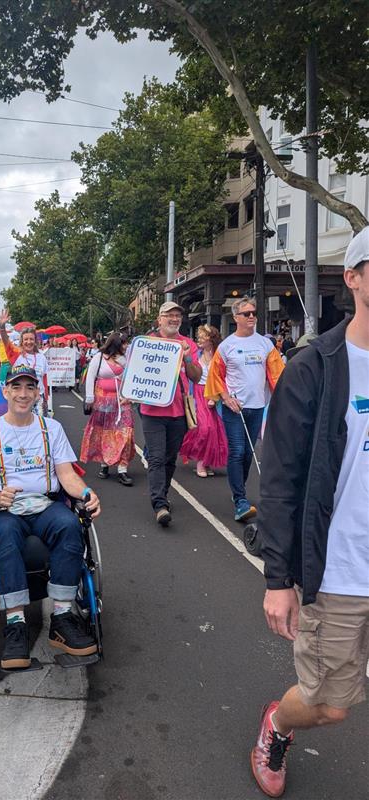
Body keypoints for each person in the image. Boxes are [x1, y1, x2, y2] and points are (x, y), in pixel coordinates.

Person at [250, 226, 369, 798]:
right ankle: (277, 722)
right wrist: (280, 578)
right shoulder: (315, 365)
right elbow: (279, 481)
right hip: (341, 571)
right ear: (352, 277)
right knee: (327, 707)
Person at [0, 365, 101, 670]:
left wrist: (87, 493)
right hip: (5, 508)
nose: (23, 394)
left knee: (69, 525)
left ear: (38, 393)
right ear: (6, 392)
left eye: (29, 388)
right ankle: (15, 623)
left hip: (44, 503)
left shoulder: (51, 429)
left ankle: (63, 617)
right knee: (5, 535)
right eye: (16, 387)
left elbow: (66, 475)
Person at [205, 296, 284, 522]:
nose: (251, 317)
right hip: (235, 408)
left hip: (258, 406)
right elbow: (215, 376)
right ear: (236, 317)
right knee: (238, 451)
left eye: (253, 313)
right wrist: (226, 398)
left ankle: (237, 489)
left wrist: (282, 397)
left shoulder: (265, 344)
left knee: (249, 454)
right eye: (246, 314)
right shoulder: (227, 346)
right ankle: (240, 500)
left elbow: (277, 374)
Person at [140, 301, 202, 527]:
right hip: (152, 411)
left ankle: (162, 493)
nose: (174, 319)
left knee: (169, 457)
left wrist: (186, 358)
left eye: (177, 315)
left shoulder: (188, 344)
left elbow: (196, 376)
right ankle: (159, 504)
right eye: (169, 315)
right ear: (159, 320)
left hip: (179, 411)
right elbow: (134, 372)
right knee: (156, 457)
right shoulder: (148, 343)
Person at [80, 332, 135, 486]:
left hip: (122, 402)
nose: (126, 346)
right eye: (123, 343)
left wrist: (131, 395)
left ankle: (122, 469)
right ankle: (104, 464)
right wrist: (89, 398)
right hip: (102, 402)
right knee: (104, 432)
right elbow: (90, 377)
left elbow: (132, 377)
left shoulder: (126, 359)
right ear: (116, 343)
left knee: (125, 432)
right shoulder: (99, 358)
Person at [180, 324, 228, 478]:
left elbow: (224, 377)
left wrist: (216, 397)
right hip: (198, 393)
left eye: (203, 336)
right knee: (203, 428)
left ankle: (206, 462)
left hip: (214, 393)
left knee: (215, 430)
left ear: (211, 339)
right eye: (198, 336)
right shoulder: (196, 354)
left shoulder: (219, 355)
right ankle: (201, 461)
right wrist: (187, 357)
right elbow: (190, 371)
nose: (199, 339)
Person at [0, 310, 48, 415]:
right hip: (21, 399)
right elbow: (6, 341)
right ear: (21, 341)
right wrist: (2, 327)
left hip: (38, 399)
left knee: (39, 428)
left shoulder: (41, 357)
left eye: (31, 339)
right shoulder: (16, 355)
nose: (29, 342)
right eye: (26, 339)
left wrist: (46, 400)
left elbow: (44, 380)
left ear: (35, 341)